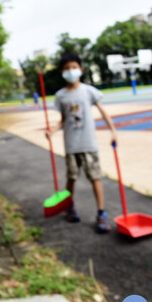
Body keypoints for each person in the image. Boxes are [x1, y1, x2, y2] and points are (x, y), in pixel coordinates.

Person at [46, 53, 117, 233]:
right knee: (71, 178)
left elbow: (103, 111)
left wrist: (113, 130)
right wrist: (53, 131)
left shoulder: (89, 91)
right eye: (67, 68)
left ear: (81, 69)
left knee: (95, 177)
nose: (71, 71)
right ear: (62, 72)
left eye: (74, 67)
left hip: (89, 144)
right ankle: (70, 207)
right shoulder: (61, 96)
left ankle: (101, 213)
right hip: (71, 145)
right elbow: (63, 119)